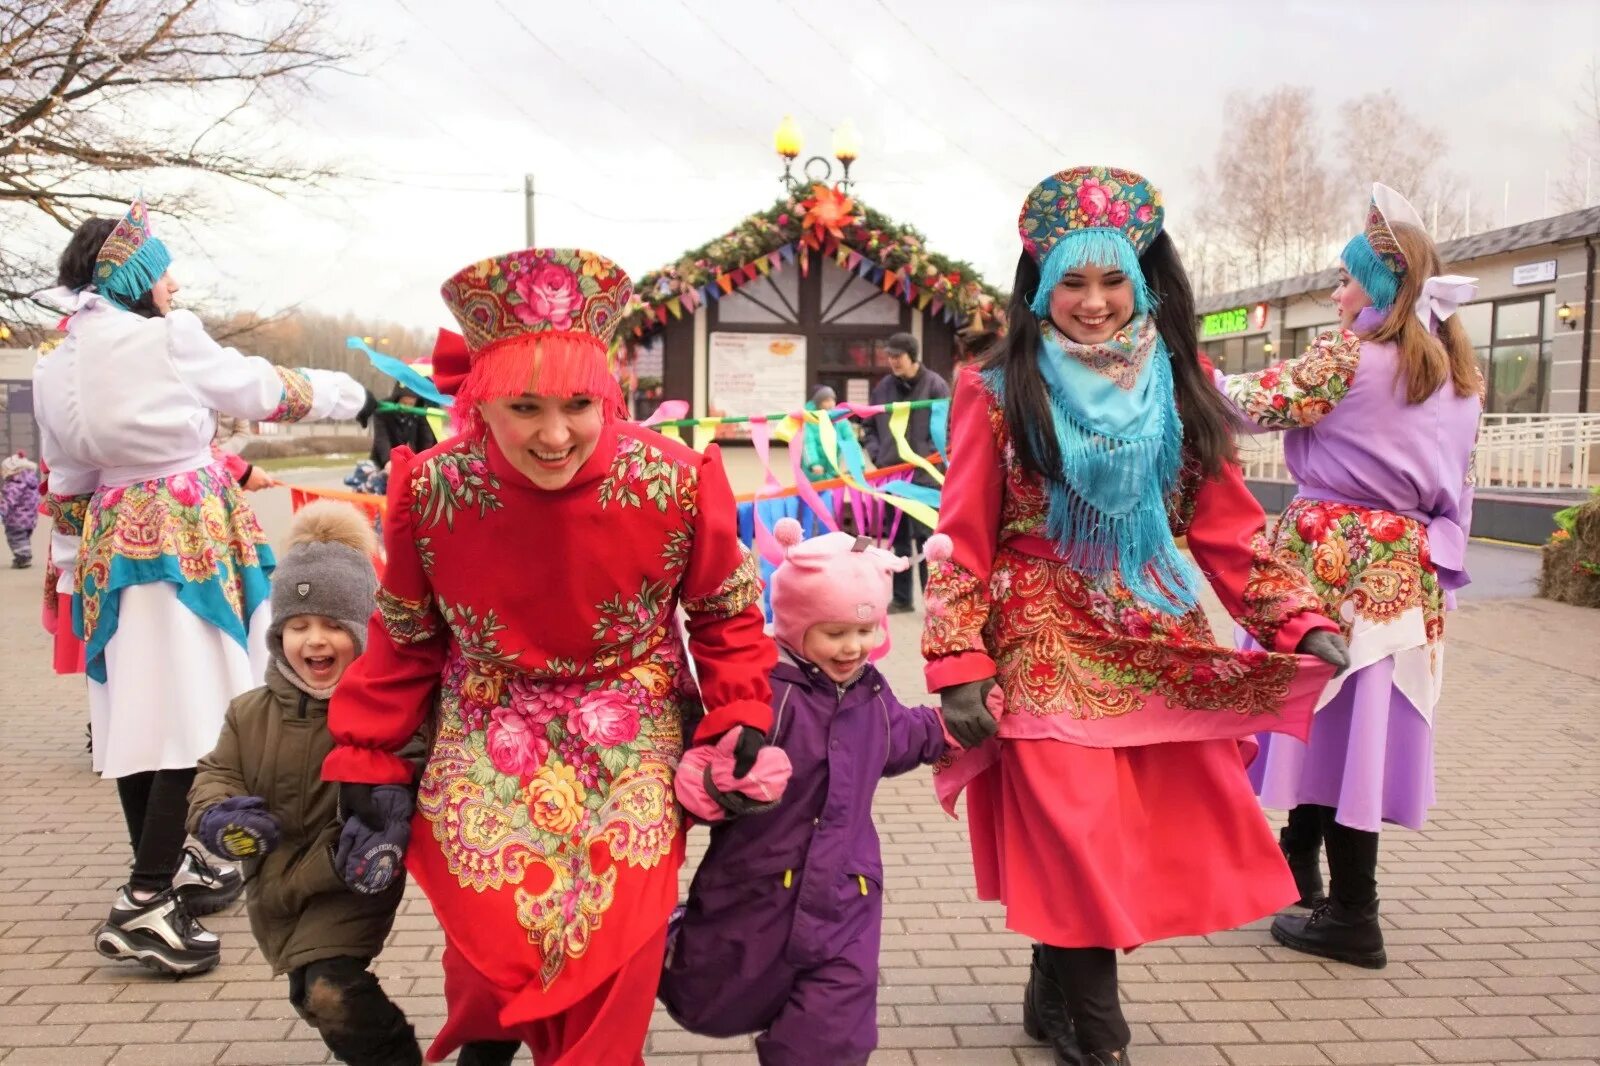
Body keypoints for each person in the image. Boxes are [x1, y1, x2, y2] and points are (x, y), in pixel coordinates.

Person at [921, 166, 1349, 1065]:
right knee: (1074, 827)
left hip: (1154, 630)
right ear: (1038, 283)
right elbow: (962, 536)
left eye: (1113, 279)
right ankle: (1100, 1036)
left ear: (1145, 279)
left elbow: (1225, 523)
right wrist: (957, 659)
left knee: (1114, 840)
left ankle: (1053, 981)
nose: (1093, 302)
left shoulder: (1179, 378)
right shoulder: (995, 388)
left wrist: (1295, 617)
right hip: (1038, 633)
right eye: (1071, 281)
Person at [322, 246, 777, 1066]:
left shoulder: (675, 479)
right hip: (487, 721)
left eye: (577, 404)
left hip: (632, 725)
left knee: (619, 941)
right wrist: (370, 754)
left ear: (609, 393)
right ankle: (493, 1037)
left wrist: (737, 710)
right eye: (524, 407)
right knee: (493, 928)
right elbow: (406, 635)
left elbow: (723, 613)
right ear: (480, 404)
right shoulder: (430, 489)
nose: (555, 433)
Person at [33, 199, 368, 975]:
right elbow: (263, 389)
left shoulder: (56, 361)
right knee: (199, 714)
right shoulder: (166, 341)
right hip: (184, 543)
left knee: (136, 717)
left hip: (111, 547)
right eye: (165, 270)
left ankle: (172, 876)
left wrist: (65, 564)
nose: (175, 285)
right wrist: (356, 394)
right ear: (138, 278)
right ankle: (146, 898)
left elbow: (70, 479)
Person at [1216, 184, 1483, 970]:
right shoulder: (1460, 383)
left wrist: (1177, 372)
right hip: (1409, 571)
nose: (1336, 294)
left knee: (1319, 715)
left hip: (1330, 560)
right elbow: (1456, 490)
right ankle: (1301, 870)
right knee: (1354, 729)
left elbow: (1249, 406)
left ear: (1379, 285)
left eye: (1345, 279)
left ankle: (1352, 915)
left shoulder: (1348, 358)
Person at [660, 517, 948, 1065]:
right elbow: (704, 763)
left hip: (848, 894)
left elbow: (898, 737)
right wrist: (723, 780)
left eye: (866, 632)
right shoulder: (766, 690)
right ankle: (675, 939)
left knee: (832, 1034)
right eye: (835, 633)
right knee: (707, 1001)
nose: (853, 648)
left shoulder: (870, 691)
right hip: (756, 887)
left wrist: (951, 727)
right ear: (794, 625)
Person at [188, 501, 424, 1064]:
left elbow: (415, 761)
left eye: (332, 626)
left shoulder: (388, 710)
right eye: (297, 626)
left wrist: (389, 817)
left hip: (348, 873)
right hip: (274, 880)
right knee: (311, 992)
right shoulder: (250, 712)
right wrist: (220, 815)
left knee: (329, 987)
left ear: (363, 632)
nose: (313, 640)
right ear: (277, 635)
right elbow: (215, 772)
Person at [860, 332, 949, 611]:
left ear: (913, 356)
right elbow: (869, 427)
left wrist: (934, 459)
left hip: (925, 477)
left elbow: (949, 427)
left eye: (898, 356)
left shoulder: (936, 385)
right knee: (897, 539)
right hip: (892, 477)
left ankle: (931, 598)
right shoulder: (883, 388)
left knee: (928, 541)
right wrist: (877, 455)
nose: (893, 361)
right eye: (890, 356)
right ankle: (901, 599)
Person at [367, 383, 440, 470]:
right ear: (397, 399)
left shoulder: (421, 413)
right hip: (385, 462)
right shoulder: (383, 410)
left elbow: (426, 439)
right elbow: (382, 438)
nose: (407, 407)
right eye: (404, 403)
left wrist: (424, 462)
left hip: (412, 461)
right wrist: (388, 460)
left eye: (411, 403)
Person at [2, 451, 39, 568]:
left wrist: (1, 512)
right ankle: (24, 554)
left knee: (15, 538)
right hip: (30, 519)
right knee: (23, 538)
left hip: (16, 519)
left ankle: (23, 557)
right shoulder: (31, 482)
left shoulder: (14, 484)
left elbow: (8, 500)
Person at [799, 385, 841, 482]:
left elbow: (849, 440)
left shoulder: (839, 419)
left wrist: (858, 464)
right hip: (814, 473)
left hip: (831, 471)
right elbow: (808, 444)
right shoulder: (809, 421)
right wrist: (814, 464)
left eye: (832, 400)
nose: (831, 404)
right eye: (826, 401)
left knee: (830, 495)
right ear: (819, 403)